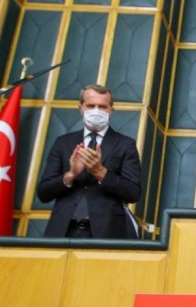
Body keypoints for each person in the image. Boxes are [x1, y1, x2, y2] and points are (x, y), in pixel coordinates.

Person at [37, 84, 141, 239]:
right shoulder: (63, 143)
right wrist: (70, 175)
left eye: (102, 107)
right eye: (91, 106)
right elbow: (43, 193)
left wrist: (101, 173)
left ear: (111, 110)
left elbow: (133, 193)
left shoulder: (125, 144)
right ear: (81, 108)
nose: (96, 111)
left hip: (107, 233)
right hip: (63, 231)